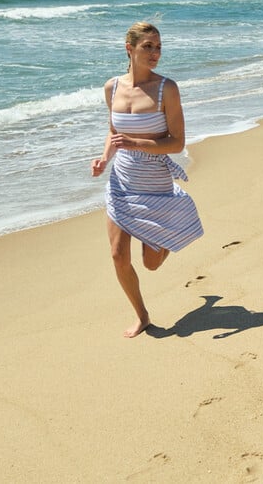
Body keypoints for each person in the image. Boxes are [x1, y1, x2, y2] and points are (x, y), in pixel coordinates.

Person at [91, 22, 203, 338]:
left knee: (152, 263)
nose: (155, 53)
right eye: (148, 47)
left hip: (155, 183)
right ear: (130, 49)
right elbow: (114, 133)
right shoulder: (111, 87)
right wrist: (104, 160)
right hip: (122, 180)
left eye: (158, 47)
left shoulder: (167, 89)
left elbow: (177, 142)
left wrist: (137, 144)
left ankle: (175, 213)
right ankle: (142, 315)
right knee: (117, 255)